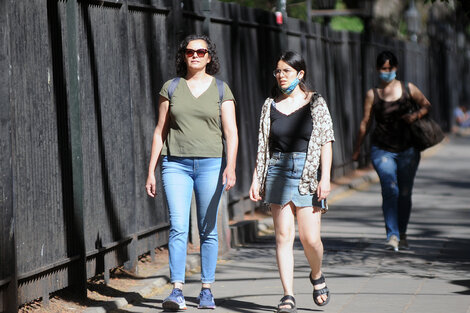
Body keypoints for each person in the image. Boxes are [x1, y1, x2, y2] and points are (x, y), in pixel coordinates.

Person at [145, 34, 238, 311]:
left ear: (210, 56)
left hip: (211, 164)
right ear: (183, 56)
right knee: (178, 227)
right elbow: (160, 130)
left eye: (201, 51)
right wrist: (151, 170)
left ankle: (206, 289)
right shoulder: (171, 88)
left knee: (208, 230)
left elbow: (231, 133)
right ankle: (176, 290)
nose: (195, 55)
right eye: (189, 52)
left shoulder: (221, 89)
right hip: (175, 165)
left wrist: (231, 166)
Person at [249, 51, 334, 313]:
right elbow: (264, 144)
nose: (281, 76)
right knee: (283, 236)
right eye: (278, 71)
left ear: (300, 74)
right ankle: (288, 295)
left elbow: (326, 140)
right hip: (277, 170)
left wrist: (326, 177)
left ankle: (316, 274)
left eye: (286, 71)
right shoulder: (270, 105)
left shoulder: (315, 101)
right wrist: (256, 177)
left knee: (310, 239)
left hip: (307, 174)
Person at [352, 50, 431, 252]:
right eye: (382, 68)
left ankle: (402, 233)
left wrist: (414, 117)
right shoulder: (373, 94)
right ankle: (392, 236)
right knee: (390, 189)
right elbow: (365, 122)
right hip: (382, 149)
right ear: (378, 69)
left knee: (404, 192)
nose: (386, 72)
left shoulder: (408, 88)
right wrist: (357, 148)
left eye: (389, 68)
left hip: (408, 149)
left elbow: (426, 105)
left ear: (395, 68)